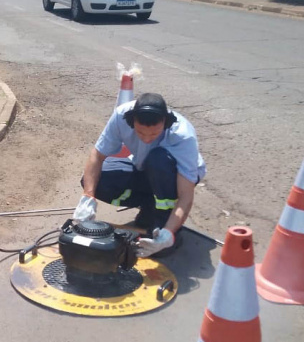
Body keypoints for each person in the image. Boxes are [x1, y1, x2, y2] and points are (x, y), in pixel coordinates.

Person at [73, 93, 206, 258]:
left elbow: (186, 195)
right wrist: (88, 197)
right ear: (131, 122)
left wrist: (168, 233)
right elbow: (97, 156)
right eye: (141, 133)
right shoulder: (121, 116)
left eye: (154, 134)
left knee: (158, 160)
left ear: (166, 122)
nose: (147, 139)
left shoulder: (183, 135)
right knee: (98, 180)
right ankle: (150, 207)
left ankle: (166, 225)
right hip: (143, 167)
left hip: (174, 175)